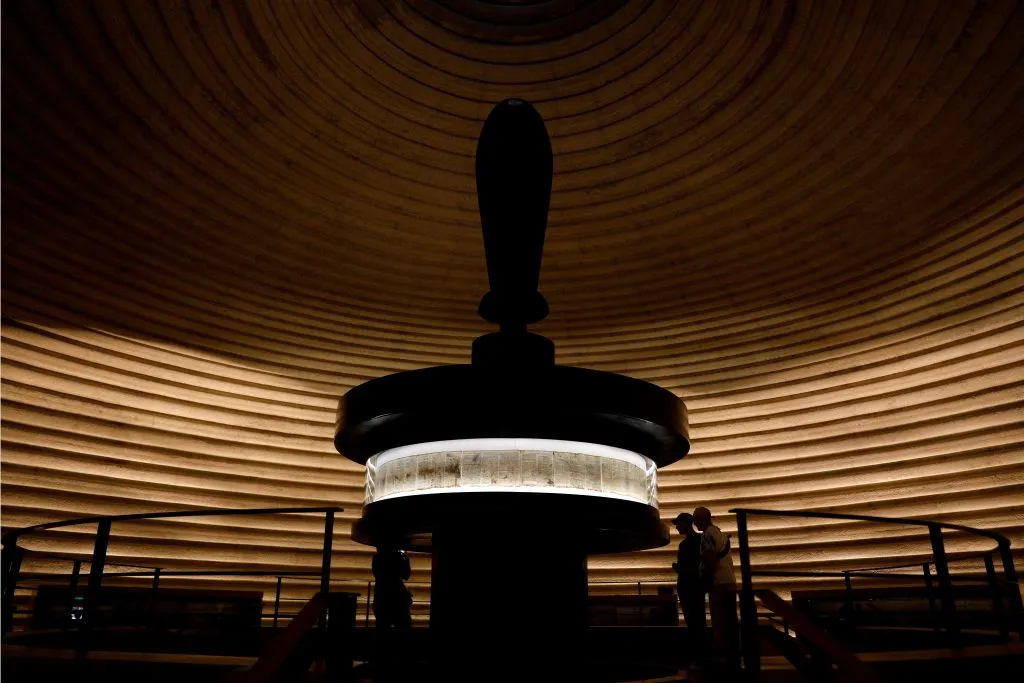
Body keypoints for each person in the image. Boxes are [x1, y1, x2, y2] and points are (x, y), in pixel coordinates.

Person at [693, 506, 739, 673]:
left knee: (719, 622)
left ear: (703, 519)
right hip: (729, 581)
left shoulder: (706, 535)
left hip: (717, 584)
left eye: (696, 519)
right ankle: (734, 657)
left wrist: (706, 580)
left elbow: (710, 558)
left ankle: (724, 658)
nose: (695, 523)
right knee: (731, 621)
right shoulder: (720, 533)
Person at [671, 512, 706, 658]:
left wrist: (677, 568)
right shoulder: (701, 540)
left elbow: (687, 567)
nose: (677, 527)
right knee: (699, 620)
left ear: (686, 524)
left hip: (688, 586)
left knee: (692, 621)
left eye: (679, 524)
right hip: (697, 586)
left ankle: (697, 655)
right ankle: (702, 654)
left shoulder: (685, 544)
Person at [372, 546, 412, 630]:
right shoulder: (399, 557)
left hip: (382, 594)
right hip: (397, 596)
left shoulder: (377, 557)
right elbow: (406, 575)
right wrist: (405, 559)